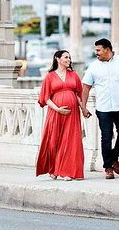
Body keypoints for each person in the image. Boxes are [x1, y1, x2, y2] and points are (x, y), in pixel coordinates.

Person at [80, 38, 119, 179]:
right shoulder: (93, 66)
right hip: (103, 108)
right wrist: (83, 107)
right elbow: (86, 87)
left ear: (107, 49)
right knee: (106, 138)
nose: (96, 53)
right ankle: (108, 168)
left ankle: (114, 157)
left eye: (98, 50)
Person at [36, 50, 88, 181]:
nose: (69, 60)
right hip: (55, 112)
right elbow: (46, 98)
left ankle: (68, 171)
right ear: (57, 59)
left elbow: (78, 94)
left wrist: (84, 109)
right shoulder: (50, 76)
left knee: (70, 141)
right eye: (66, 57)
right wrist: (58, 109)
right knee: (54, 141)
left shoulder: (74, 75)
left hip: (72, 114)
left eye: (69, 57)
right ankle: (54, 169)